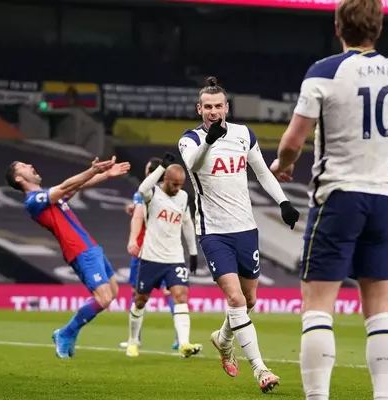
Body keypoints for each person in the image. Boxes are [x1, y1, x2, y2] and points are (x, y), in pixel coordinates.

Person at [270, 1, 388, 399]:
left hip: (338, 196)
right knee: (380, 310)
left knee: (317, 305)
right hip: (383, 199)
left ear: (338, 27)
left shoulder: (325, 71)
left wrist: (283, 164)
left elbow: (293, 141)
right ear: (379, 27)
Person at [178, 77, 299, 393]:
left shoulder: (244, 134)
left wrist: (283, 202)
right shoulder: (190, 139)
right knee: (235, 298)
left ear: (226, 107)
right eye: (208, 107)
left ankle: (223, 338)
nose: (213, 111)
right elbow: (193, 165)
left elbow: (262, 172)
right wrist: (210, 141)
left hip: (246, 229)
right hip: (214, 232)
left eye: (218, 106)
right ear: (199, 109)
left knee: (249, 300)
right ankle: (260, 369)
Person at [5, 156, 131, 359]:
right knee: (104, 298)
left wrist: (106, 174)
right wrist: (93, 170)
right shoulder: (33, 202)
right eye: (23, 166)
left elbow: (75, 186)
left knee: (113, 292)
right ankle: (66, 333)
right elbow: (65, 186)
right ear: (19, 178)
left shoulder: (49, 197)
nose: (30, 165)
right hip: (79, 251)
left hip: (91, 247)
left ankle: (68, 332)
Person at [126, 154, 201, 358]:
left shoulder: (183, 197)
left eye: (181, 185)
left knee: (181, 297)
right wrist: (161, 168)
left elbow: (187, 223)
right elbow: (142, 189)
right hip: (150, 257)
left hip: (174, 258)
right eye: (175, 184)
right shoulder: (152, 194)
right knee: (140, 300)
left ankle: (184, 343)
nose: (178, 188)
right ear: (165, 179)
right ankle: (133, 341)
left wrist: (193, 252)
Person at [119, 157, 180, 351]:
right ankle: (181, 337)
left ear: (151, 172)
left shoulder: (145, 192)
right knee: (171, 292)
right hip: (166, 249)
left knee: (137, 294)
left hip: (144, 249)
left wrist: (132, 240)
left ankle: (134, 338)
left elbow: (139, 216)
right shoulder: (171, 194)